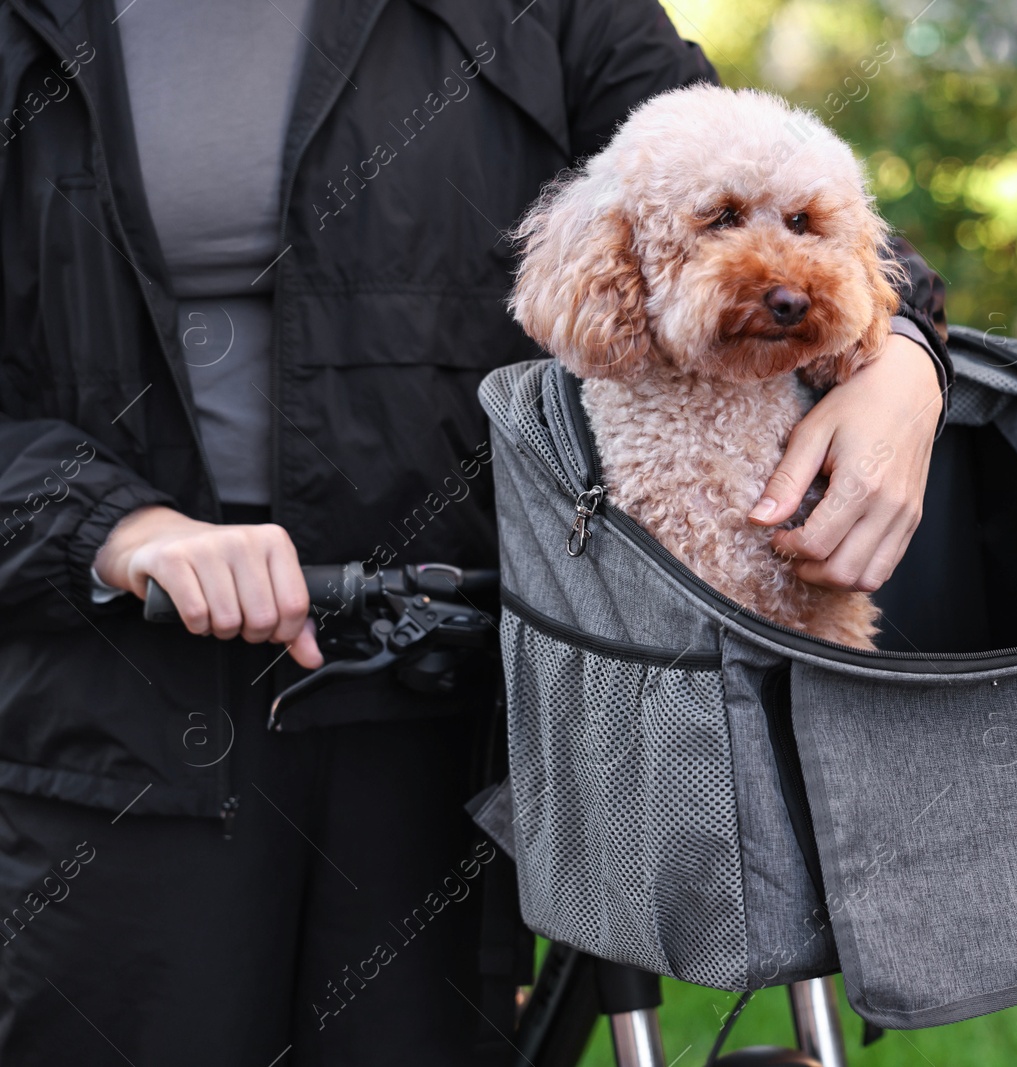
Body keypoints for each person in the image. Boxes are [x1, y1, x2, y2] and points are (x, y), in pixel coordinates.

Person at [0, 0, 949, 1063]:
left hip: (451, 704)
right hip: (112, 706)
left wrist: (905, 360)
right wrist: (118, 526)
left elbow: (751, 162)